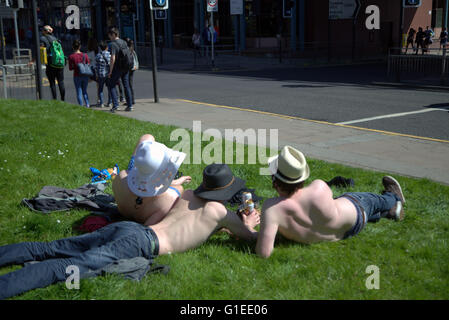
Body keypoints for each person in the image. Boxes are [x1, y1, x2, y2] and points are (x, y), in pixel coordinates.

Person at [0, 164, 259, 299]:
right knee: (69, 267)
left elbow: (189, 222)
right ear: (225, 192)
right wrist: (248, 223)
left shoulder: (189, 195)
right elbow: (252, 238)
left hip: (129, 229)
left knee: (50, 248)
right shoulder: (220, 214)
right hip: (142, 243)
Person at [255, 146, 406, 258]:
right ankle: (393, 200)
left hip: (335, 230)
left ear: (275, 180)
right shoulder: (319, 187)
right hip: (354, 222)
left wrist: (249, 227)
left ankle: (392, 204)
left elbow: (264, 253)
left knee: (363, 202)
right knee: (366, 199)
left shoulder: (272, 209)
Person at [112, 134, 192, 225]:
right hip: (145, 217)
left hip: (124, 211)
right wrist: (177, 183)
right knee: (179, 188)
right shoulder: (170, 198)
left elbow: (145, 186)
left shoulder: (121, 176)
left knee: (147, 137)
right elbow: (148, 230)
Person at [106, 27, 133, 113]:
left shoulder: (113, 44)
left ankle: (115, 105)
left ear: (113, 34)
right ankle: (130, 105)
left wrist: (110, 71)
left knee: (111, 85)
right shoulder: (124, 42)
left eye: (110, 36)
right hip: (125, 67)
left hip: (118, 67)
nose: (109, 37)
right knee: (126, 85)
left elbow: (112, 58)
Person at [40, 25, 66, 101]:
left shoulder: (43, 38)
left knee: (52, 83)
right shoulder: (56, 39)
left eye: (43, 30)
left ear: (45, 31)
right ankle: (63, 99)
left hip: (50, 63)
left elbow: (41, 50)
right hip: (60, 63)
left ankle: (54, 99)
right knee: (61, 82)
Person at [68, 39, 91, 108]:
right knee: (85, 91)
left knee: (79, 92)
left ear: (72, 47)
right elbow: (88, 64)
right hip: (85, 75)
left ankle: (81, 106)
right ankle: (87, 104)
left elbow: (70, 68)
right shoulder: (85, 55)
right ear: (80, 46)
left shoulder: (71, 56)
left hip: (77, 75)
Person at [95, 41, 111, 108]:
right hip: (108, 74)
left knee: (100, 89)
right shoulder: (109, 54)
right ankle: (109, 102)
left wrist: (96, 74)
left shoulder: (98, 55)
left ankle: (101, 103)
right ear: (107, 47)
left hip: (100, 74)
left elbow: (96, 66)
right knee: (110, 88)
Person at [125, 38, 139, 106]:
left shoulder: (128, 50)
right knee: (130, 84)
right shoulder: (132, 50)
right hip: (133, 68)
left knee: (128, 85)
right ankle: (132, 99)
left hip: (129, 69)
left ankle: (131, 100)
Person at [87, 38, 99, 104]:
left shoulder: (90, 52)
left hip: (93, 70)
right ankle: (99, 100)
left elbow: (88, 62)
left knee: (86, 82)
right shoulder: (99, 50)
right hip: (99, 69)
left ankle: (87, 100)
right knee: (99, 86)